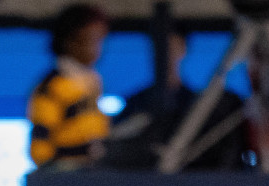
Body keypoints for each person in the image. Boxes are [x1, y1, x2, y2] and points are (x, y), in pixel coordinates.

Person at [105, 25, 246, 171]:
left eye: (171, 47)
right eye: (159, 47)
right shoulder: (135, 103)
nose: (166, 54)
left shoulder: (198, 106)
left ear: (183, 50)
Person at [27, 3, 111, 170]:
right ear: (70, 41)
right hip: (64, 179)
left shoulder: (91, 81)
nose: (98, 49)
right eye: (91, 40)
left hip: (93, 174)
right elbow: (40, 146)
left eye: (101, 40)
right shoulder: (53, 87)